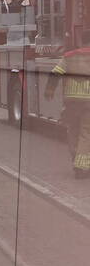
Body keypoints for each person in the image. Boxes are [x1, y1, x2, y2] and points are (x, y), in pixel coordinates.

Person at [47, 30, 90, 178]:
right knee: (86, 132)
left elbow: (55, 73)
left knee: (72, 130)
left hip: (72, 101)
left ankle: (76, 159)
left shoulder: (70, 56)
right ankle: (81, 166)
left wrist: (50, 90)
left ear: (81, 40)